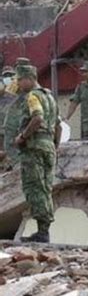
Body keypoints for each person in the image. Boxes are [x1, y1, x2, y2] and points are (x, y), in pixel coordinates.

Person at [14, 64, 61, 243]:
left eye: (20, 79)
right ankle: (44, 230)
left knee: (35, 188)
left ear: (29, 78)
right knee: (46, 188)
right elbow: (58, 125)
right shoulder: (50, 97)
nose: (18, 84)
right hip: (48, 146)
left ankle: (42, 232)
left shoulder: (33, 96)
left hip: (34, 148)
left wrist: (22, 137)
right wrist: (54, 146)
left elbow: (38, 117)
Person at [3, 58, 32, 166]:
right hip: (17, 120)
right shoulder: (31, 81)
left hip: (16, 120)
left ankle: (17, 166)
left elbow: (9, 96)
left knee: (12, 146)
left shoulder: (18, 81)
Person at [0, 66, 16, 159]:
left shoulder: (19, 89)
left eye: (11, 75)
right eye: (6, 75)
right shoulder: (1, 90)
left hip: (14, 125)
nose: (8, 77)